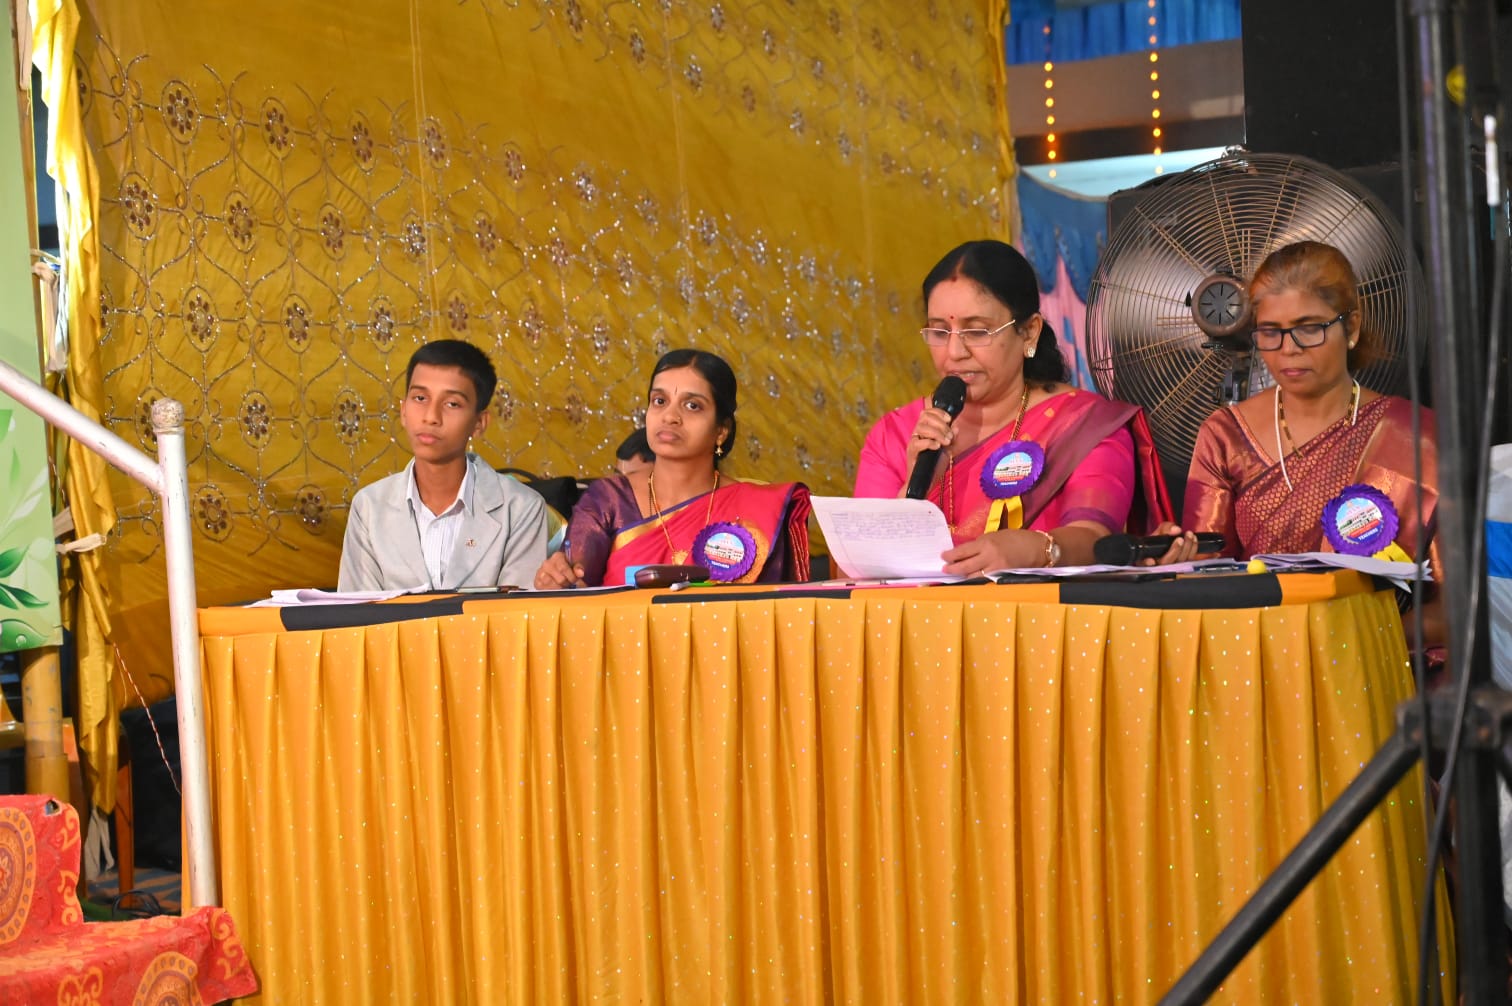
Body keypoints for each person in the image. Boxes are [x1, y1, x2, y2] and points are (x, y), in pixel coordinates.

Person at [855, 239, 1171, 574]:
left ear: (1029, 332)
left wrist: (1036, 549)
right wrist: (912, 488)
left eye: (977, 331)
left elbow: (1097, 539)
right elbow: (856, 570)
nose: (954, 353)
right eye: (940, 331)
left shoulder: (1081, 425)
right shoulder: (895, 435)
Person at [1150, 241, 1439, 586]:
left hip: (1385, 623)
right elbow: (1206, 576)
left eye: (1309, 328)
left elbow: (1451, 600)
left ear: (1351, 327)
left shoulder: (1416, 434)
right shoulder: (1226, 435)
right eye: (1271, 332)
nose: (1289, 349)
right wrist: (1176, 560)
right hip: (1255, 622)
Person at [534, 349, 812, 588]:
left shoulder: (759, 509)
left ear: (721, 430)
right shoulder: (609, 499)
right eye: (659, 401)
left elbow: (772, 610)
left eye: (692, 405)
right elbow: (576, 581)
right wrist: (557, 577)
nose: (670, 416)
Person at [339, 339, 549, 591]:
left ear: (479, 423)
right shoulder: (369, 507)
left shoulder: (521, 509)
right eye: (420, 398)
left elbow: (517, 612)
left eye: (452, 404)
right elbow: (357, 611)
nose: (431, 417)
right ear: (403, 411)